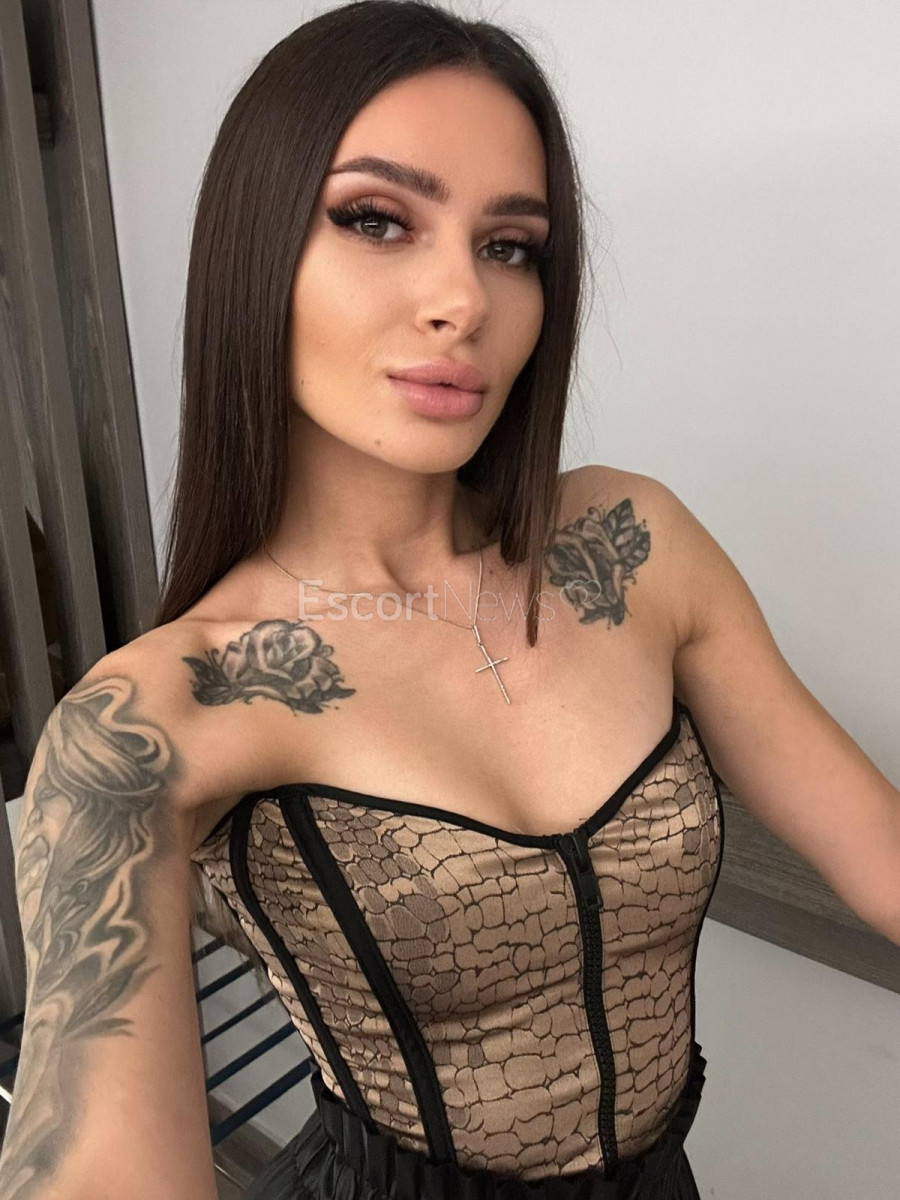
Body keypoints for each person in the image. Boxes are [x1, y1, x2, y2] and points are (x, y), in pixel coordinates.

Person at [1, 3, 726, 1197]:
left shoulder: (631, 540)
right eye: (376, 220)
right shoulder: (147, 721)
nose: (464, 299)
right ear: (257, 248)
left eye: (511, 246)